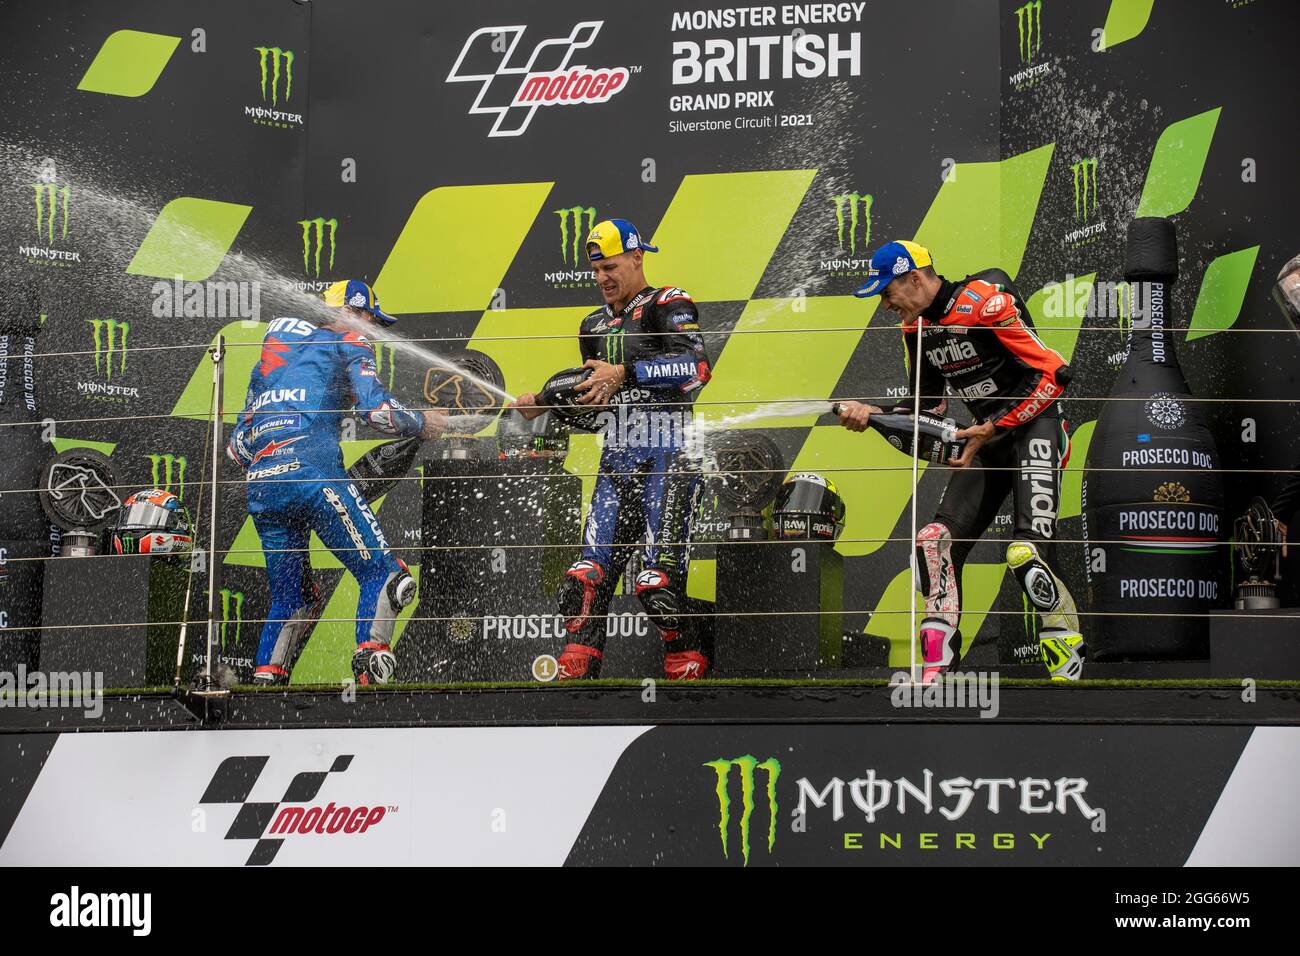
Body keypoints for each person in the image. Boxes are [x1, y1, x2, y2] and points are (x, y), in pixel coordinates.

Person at [837, 240, 1085, 682]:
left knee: (1026, 554)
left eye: (885, 292)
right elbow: (926, 410)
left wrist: (997, 424)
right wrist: (870, 415)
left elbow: (1054, 372)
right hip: (984, 441)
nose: (884, 304)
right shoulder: (916, 328)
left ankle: (1066, 658)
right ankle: (941, 672)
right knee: (933, 541)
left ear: (915, 278)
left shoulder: (985, 303)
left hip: (1035, 428)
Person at [509, 219, 712, 680]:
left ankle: (686, 654)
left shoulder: (669, 302)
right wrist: (543, 405)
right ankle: (582, 653)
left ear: (638, 258)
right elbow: (592, 402)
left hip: (670, 454)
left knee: (656, 583)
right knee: (586, 576)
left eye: (612, 266)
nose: (602, 278)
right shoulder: (592, 324)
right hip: (616, 457)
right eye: (596, 269)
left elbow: (696, 368)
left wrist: (625, 373)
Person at [228, 280, 444, 685]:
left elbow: (238, 448)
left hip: (263, 488)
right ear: (354, 312)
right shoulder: (350, 339)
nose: (375, 330)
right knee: (386, 577)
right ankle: (371, 675)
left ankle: (265, 689)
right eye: (373, 320)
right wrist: (422, 422)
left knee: (293, 601)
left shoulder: (270, 363)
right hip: (315, 476)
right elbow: (377, 411)